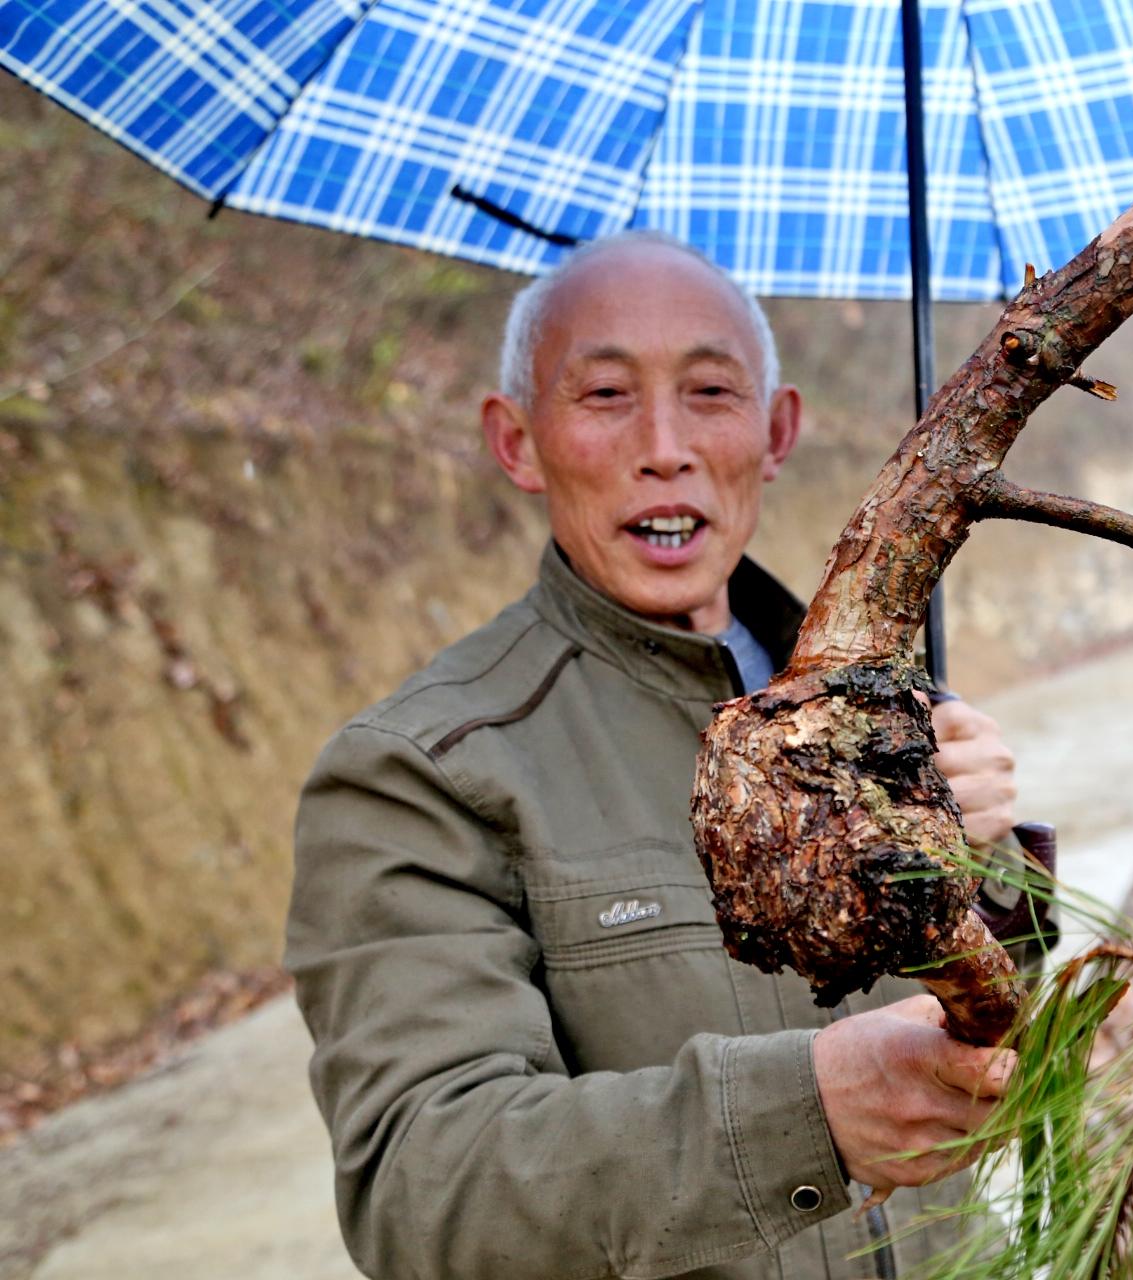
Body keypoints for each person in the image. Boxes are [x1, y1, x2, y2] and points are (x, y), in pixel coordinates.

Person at [286, 231, 1029, 1280]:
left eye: (711, 391)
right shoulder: (423, 772)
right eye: (604, 395)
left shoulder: (880, 712)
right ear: (517, 440)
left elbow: (1006, 1049)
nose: (665, 445)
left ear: (776, 430)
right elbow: (423, 1184)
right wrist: (804, 1113)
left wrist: (990, 868)